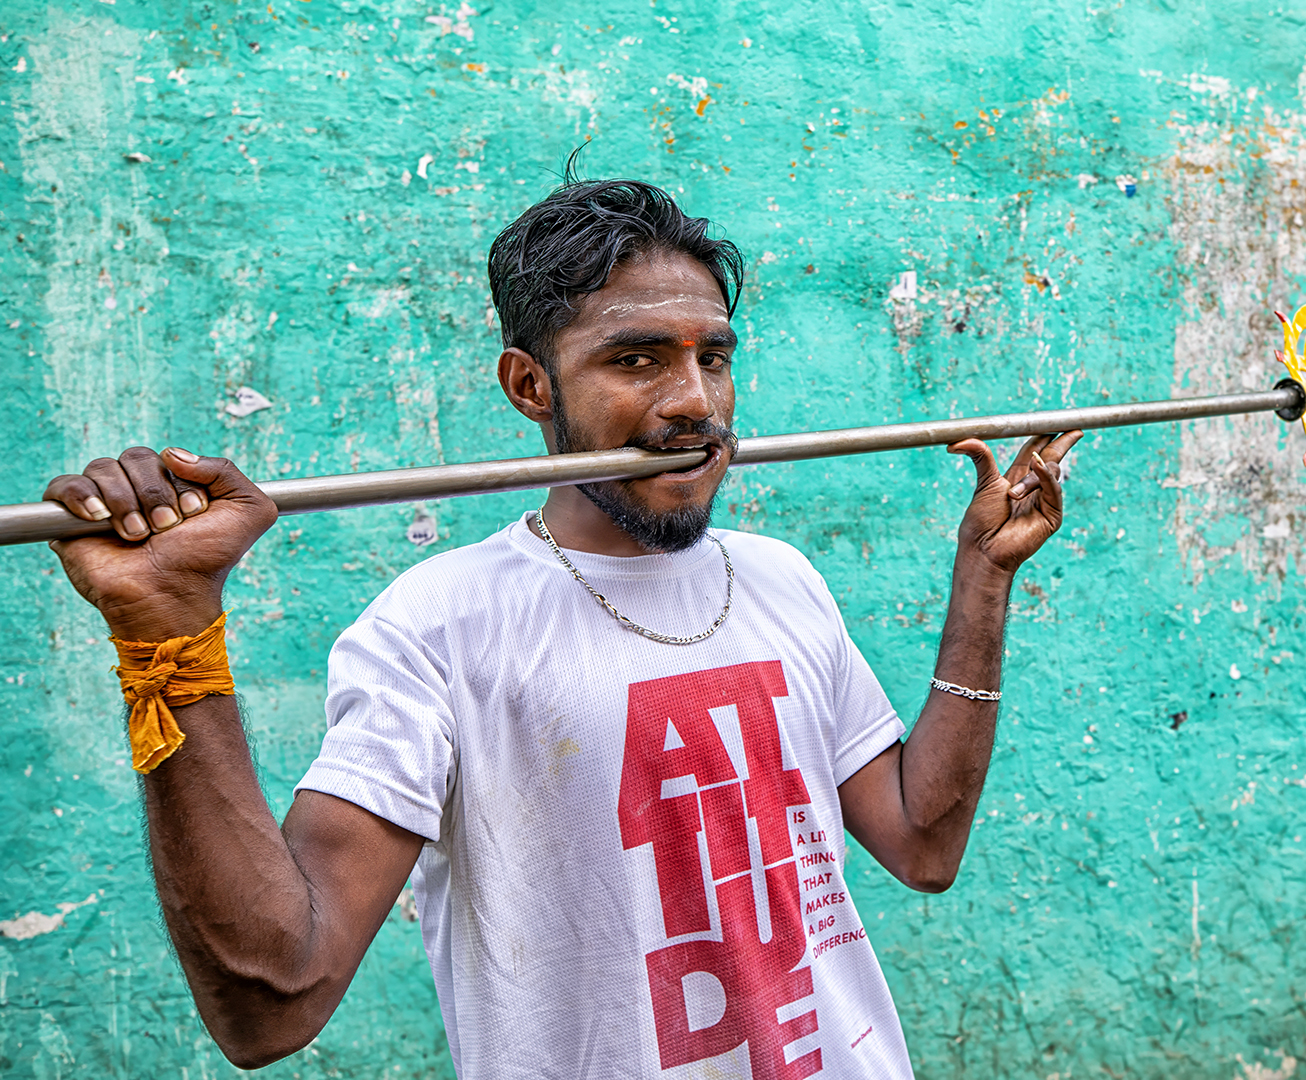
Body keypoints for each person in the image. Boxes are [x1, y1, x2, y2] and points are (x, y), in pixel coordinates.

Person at [42, 173, 1082, 1079]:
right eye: (636, 361)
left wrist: (981, 584)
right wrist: (167, 638)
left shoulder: (780, 580)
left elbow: (922, 843)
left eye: (713, 358)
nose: (694, 402)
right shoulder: (439, 627)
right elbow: (274, 1002)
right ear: (530, 385)